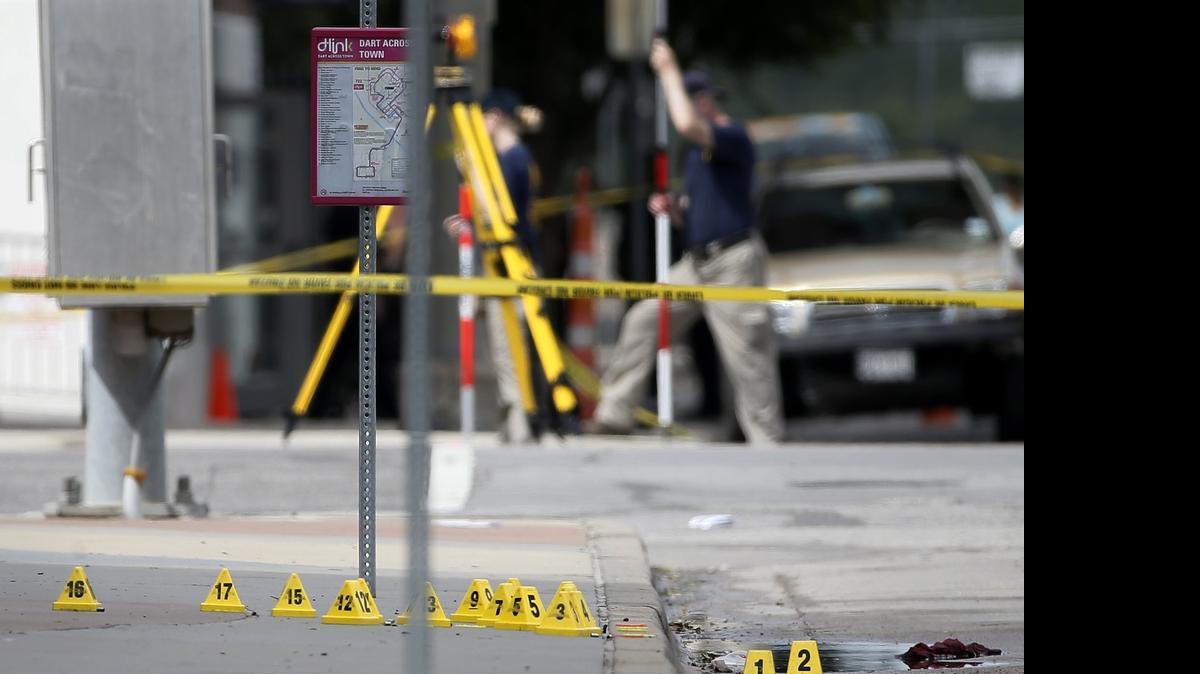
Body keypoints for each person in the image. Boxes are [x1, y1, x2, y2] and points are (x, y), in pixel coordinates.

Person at [592, 39, 783, 444]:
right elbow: (700, 207)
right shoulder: (695, 156)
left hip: (733, 261)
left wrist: (667, 71)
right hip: (698, 262)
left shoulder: (731, 136)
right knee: (644, 317)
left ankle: (767, 438)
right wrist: (675, 207)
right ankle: (615, 410)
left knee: (746, 353)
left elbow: (684, 124)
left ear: (703, 101)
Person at [444, 88, 542, 443]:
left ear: (495, 117)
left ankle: (520, 418)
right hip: (500, 261)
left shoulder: (514, 159)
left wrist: (469, 167)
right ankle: (513, 416)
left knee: (508, 346)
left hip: (511, 264)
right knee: (501, 345)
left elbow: (501, 215)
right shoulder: (512, 157)